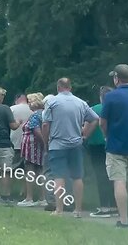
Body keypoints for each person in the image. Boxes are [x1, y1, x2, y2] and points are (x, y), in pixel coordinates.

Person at [42, 78, 98, 217]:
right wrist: (85, 134)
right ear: (70, 87)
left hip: (57, 144)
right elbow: (94, 119)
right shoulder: (81, 103)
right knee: (77, 177)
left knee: (59, 177)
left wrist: (46, 142)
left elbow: (45, 125)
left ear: (58, 87)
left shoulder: (52, 102)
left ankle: (59, 210)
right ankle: (78, 210)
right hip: (75, 144)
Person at [100, 64, 128, 229]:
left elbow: (103, 122)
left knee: (119, 181)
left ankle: (123, 220)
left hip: (116, 145)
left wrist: (107, 136)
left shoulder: (111, 97)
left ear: (116, 78)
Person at [85, 86, 118, 217]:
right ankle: (116, 205)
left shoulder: (94, 109)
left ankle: (104, 207)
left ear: (100, 96)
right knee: (114, 176)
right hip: (113, 145)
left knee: (101, 175)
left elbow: (87, 128)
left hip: (96, 146)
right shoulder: (116, 109)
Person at [17, 93, 47, 207]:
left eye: (30, 101)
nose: (28, 103)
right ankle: (42, 197)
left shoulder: (35, 115)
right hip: (37, 146)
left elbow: (37, 130)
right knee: (40, 170)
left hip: (32, 147)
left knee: (29, 170)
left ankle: (29, 198)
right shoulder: (42, 114)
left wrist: (44, 143)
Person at [10, 93, 33, 197]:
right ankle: (23, 192)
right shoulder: (33, 109)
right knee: (27, 170)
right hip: (30, 144)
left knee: (11, 169)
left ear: (17, 99)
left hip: (14, 142)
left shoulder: (12, 109)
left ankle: (9, 191)